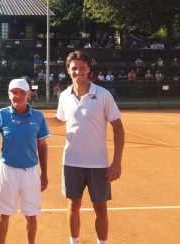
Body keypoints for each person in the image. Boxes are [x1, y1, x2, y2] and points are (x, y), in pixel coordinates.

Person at [55, 50, 125, 244]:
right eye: (74, 68)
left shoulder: (102, 94)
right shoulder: (64, 96)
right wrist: (34, 119)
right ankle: (74, 241)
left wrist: (116, 163)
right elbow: (59, 120)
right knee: (73, 205)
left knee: (100, 208)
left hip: (98, 164)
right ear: (68, 70)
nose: (78, 72)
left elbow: (118, 128)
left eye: (82, 68)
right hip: (71, 162)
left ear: (89, 70)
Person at [0, 79, 50, 244]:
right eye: (14, 92)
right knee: (4, 214)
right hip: (7, 171)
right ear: (9, 94)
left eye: (22, 92)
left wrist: (44, 174)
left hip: (31, 172)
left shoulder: (38, 116)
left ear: (28, 94)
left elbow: (42, 145)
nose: (18, 96)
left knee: (31, 215)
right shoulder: (1, 115)